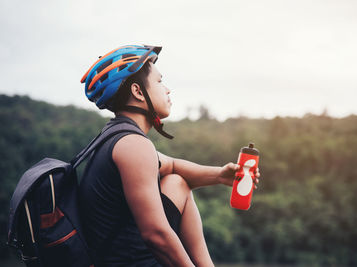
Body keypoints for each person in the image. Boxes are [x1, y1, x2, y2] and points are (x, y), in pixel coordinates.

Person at [78, 45, 260, 267]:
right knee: (176, 186)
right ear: (137, 92)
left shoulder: (118, 136)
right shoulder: (133, 145)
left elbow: (172, 166)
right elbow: (156, 234)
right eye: (159, 81)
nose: (167, 89)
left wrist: (221, 176)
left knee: (177, 182)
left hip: (117, 256)